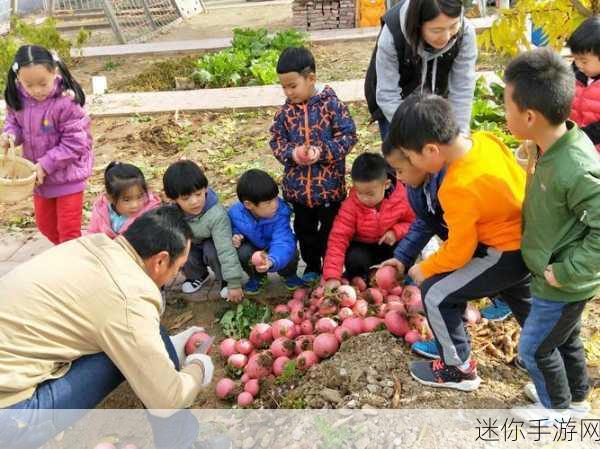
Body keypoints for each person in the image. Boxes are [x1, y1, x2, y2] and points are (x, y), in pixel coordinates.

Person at [0, 207, 215, 449]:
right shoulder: (129, 297)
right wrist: (198, 366)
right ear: (161, 260)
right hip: (11, 416)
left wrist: (166, 350)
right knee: (153, 372)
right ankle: (183, 444)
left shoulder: (93, 246)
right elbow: (167, 399)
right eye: (179, 267)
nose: (177, 274)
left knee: (148, 340)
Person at [383, 94, 531, 391]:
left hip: (502, 251)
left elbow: (460, 250)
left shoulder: (456, 186)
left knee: (436, 293)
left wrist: (427, 267)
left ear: (431, 150)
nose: (412, 164)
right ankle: (540, 352)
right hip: (527, 239)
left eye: (411, 159)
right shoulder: (485, 140)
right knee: (523, 298)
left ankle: (458, 370)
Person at [504, 48, 599, 421]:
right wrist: (533, 150)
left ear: (529, 116)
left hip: (561, 280)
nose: (504, 113)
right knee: (566, 339)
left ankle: (555, 409)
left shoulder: (574, 167)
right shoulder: (552, 146)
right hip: (555, 273)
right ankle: (574, 397)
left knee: (534, 349)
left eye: (507, 107)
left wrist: (567, 270)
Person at [270, 47, 357, 286]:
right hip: (298, 190)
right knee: (304, 231)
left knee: (331, 231)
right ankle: (311, 265)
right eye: (284, 87)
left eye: (293, 85)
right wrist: (292, 153)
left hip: (329, 188)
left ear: (311, 78)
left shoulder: (332, 106)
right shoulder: (285, 112)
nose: (288, 92)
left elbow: (348, 137)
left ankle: (332, 267)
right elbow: (276, 141)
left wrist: (322, 152)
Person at [1, 45, 93, 245]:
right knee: (45, 226)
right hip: (39, 178)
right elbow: (14, 123)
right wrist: (9, 136)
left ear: (54, 71)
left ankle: (72, 265)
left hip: (68, 177)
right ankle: (68, 256)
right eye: (29, 84)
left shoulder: (66, 102)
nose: (36, 90)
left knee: (68, 232)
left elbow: (76, 142)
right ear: (19, 79)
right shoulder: (17, 97)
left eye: (43, 83)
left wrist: (46, 164)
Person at [365, 0, 477, 139]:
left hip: (437, 97)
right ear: (417, 24)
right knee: (403, 155)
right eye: (437, 30)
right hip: (395, 103)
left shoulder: (465, 33)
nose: (446, 37)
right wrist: (414, 136)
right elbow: (388, 95)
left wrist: (459, 134)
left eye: (453, 26)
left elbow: (462, 88)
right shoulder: (393, 35)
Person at [322, 153, 414, 288]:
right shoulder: (350, 206)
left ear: (386, 184)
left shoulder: (403, 198)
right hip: (364, 248)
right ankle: (366, 278)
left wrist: (396, 232)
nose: (364, 198)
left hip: (390, 245)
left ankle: (398, 275)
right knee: (354, 258)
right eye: (359, 192)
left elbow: (414, 224)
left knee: (408, 246)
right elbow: (338, 239)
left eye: (370, 194)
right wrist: (332, 276)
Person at [163, 160, 244, 303]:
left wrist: (234, 283)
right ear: (173, 199)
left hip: (213, 243)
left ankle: (224, 280)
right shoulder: (171, 214)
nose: (194, 202)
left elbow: (226, 250)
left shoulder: (216, 214)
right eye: (186, 198)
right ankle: (197, 275)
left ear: (205, 188)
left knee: (212, 250)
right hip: (193, 242)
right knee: (180, 247)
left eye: (198, 194)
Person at [228, 169, 304, 296]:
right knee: (243, 252)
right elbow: (232, 227)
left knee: (290, 251)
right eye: (268, 202)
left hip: (276, 247)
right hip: (254, 247)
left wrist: (271, 260)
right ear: (249, 205)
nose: (275, 204)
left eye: (275, 198)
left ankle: (289, 275)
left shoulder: (280, 213)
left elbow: (283, 241)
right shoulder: (235, 214)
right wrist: (235, 235)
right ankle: (257, 277)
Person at [87, 161, 161, 238]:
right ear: (110, 198)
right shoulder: (101, 209)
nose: (135, 205)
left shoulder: (151, 213)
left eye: (139, 197)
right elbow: (93, 233)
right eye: (127, 200)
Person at [567, 16, 600, 152]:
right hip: (574, 147)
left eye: (584, 61)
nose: (579, 65)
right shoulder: (574, 75)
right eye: (575, 59)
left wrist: (582, 138)